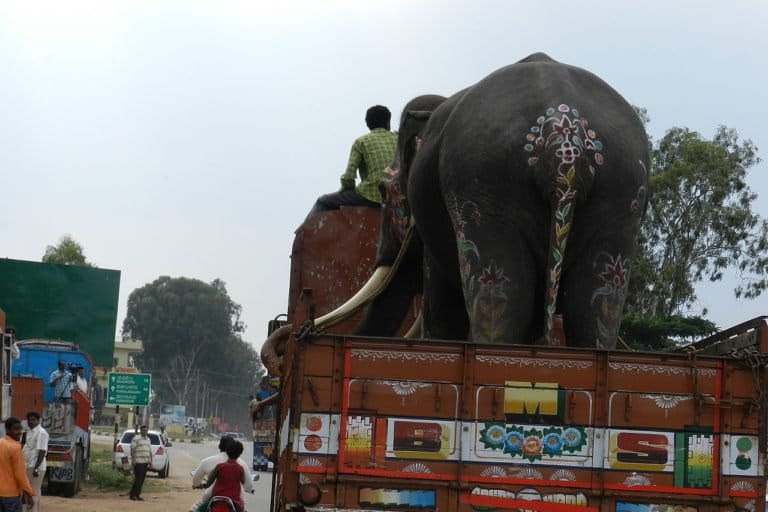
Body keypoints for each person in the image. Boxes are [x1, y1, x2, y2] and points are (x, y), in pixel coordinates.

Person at [307, 105, 397, 218]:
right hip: (398, 195)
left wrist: (346, 190)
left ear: (368, 124)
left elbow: (349, 177)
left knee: (322, 201)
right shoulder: (399, 139)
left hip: (372, 195)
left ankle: (304, 234)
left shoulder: (361, 142)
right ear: (388, 122)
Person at [189, 436, 254, 512]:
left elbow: (206, 482)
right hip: (235, 500)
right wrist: (250, 489)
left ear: (220, 446)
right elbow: (247, 484)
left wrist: (202, 485)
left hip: (213, 497)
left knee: (194, 510)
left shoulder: (215, 465)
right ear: (239, 453)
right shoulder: (241, 466)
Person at [0, 417, 35, 512]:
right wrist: (29, 493)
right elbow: (20, 474)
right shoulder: (16, 447)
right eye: (16, 429)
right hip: (11, 495)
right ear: (7, 429)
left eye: (20, 429)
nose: (20, 432)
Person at [201, 441, 247, 512]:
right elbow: (244, 482)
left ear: (227, 452)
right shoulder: (240, 469)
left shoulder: (219, 467)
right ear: (240, 453)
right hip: (234, 501)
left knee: (200, 509)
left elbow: (210, 482)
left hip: (216, 499)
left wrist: (204, 485)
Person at [22, 412, 47, 512]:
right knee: (32, 491)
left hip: (35, 467)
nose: (30, 422)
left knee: (33, 492)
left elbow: (42, 451)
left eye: (33, 420)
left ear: (38, 420)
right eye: (29, 420)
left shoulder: (41, 432)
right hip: (28, 465)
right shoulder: (29, 432)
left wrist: (36, 468)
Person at [129, 425, 153, 501]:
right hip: (138, 462)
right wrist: (133, 460)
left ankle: (137, 495)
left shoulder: (148, 439)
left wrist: (150, 461)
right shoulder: (136, 438)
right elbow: (132, 449)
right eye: (143, 430)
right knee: (138, 479)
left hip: (145, 462)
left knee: (142, 480)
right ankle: (132, 495)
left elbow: (149, 451)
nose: (145, 432)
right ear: (140, 431)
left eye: (146, 430)